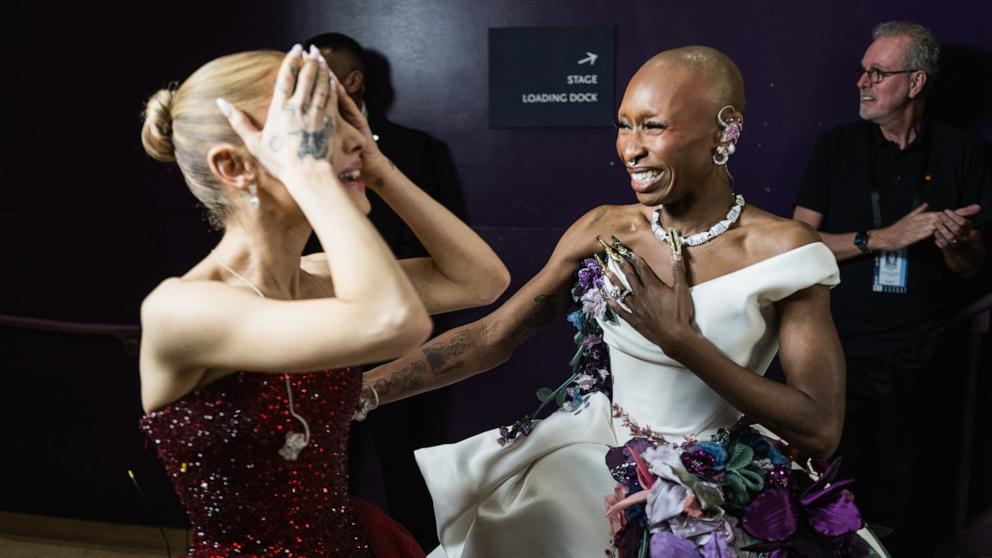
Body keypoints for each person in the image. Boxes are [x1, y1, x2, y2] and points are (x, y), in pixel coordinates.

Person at [361, 46, 885, 557]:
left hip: (720, 482)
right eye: (624, 124)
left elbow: (820, 429)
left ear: (726, 129)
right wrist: (358, 393)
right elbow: (492, 337)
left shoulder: (785, 250)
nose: (631, 149)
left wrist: (681, 341)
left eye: (653, 127)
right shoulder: (605, 229)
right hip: (595, 462)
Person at [137, 45, 509, 557]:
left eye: (342, 117)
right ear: (233, 164)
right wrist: (315, 173)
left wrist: (375, 167)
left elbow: (481, 280)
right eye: (309, 125)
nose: (356, 136)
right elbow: (393, 322)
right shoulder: (181, 310)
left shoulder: (318, 276)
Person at [792, 21, 990, 555]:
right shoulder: (836, 147)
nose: (862, 81)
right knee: (828, 491)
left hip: (919, 353)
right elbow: (797, 244)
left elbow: (971, 267)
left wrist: (956, 242)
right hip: (837, 349)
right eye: (863, 70)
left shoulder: (961, 151)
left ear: (916, 82)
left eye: (877, 72)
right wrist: (885, 237)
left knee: (905, 498)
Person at [305, 32, 449, 548]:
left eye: (313, 76)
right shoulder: (289, 158)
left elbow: (445, 260)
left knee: (404, 464)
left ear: (353, 82)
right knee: (317, 469)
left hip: (398, 337)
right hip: (311, 339)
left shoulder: (415, 150)